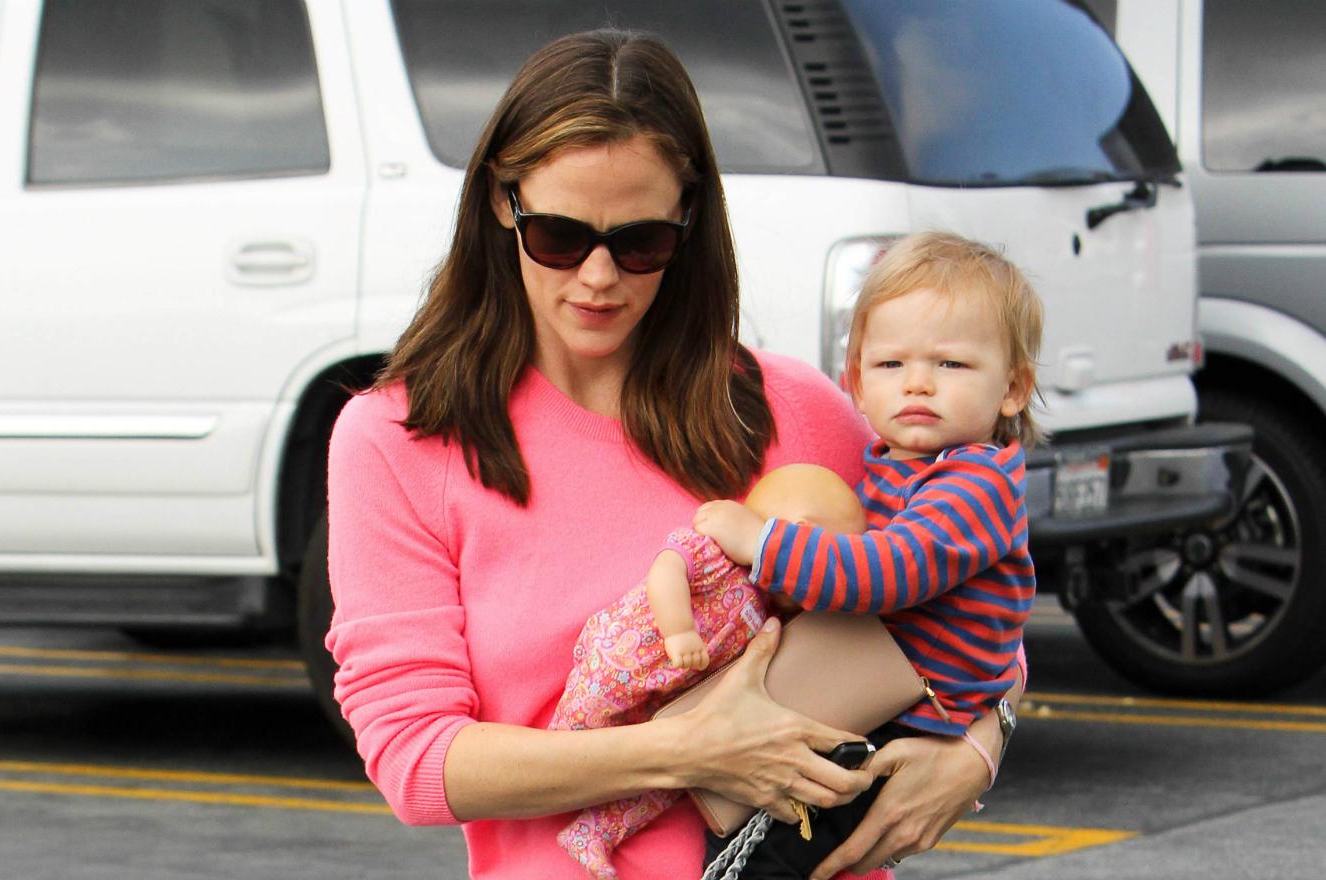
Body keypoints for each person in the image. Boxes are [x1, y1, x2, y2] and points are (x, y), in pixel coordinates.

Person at [324, 30, 1012, 880]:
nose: (600, 275)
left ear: (689, 222)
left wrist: (978, 750)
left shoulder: (792, 408)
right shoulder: (399, 439)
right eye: (559, 236)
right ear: (500, 206)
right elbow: (416, 761)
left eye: (640, 240)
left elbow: (976, 599)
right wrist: (686, 752)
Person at [693, 231, 1042, 877]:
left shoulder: (976, 482)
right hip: (870, 700)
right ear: (854, 380)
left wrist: (759, 541)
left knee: (764, 861)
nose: (919, 384)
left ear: (1013, 388)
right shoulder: (896, 468)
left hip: (900, 725)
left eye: (951, 365)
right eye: (891, 366)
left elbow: (884, 574)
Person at [549, 464, 867, 879]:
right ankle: (557, 766)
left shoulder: (767, 605)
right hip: (627, 659)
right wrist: (678, 629)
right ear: (800, 533)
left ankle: (594, 834)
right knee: (585, 719)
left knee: (662, 784)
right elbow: (666, 570)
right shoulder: (713, 552)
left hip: (677, 707)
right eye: (830, 564)